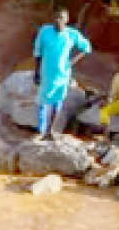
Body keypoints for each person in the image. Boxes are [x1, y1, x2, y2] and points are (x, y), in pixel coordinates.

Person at [32, 8, 92, 140]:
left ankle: (50, 131)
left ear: (67, 20)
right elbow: (38, 52)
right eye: (56, 17)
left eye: (61, 18)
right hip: (47, 73)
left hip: (63, 74)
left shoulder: (72, 34)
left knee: (57, 102)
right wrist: (36, 72)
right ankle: (41, 131)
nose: (58, 20)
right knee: (43, 101)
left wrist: (72, 61)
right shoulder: (45, 31)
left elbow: (86, 47)